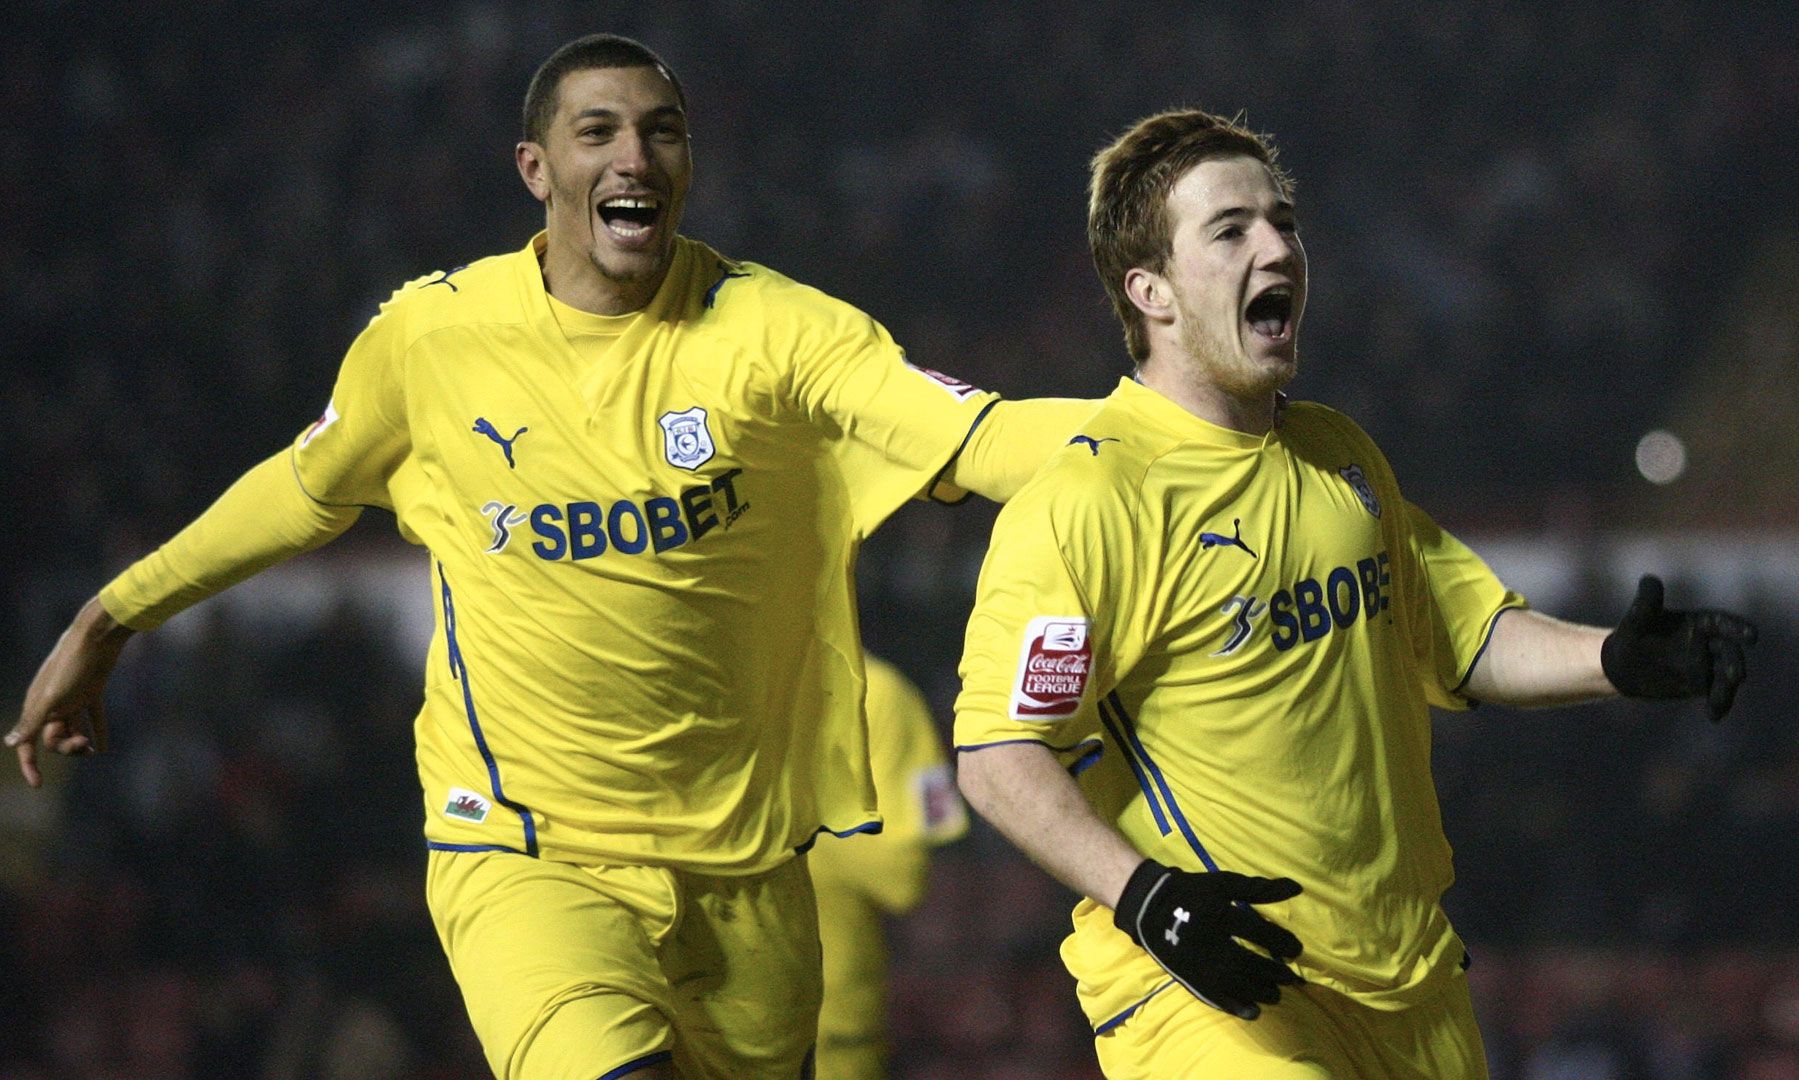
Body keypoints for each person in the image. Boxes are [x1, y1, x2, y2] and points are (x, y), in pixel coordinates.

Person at [11, 34, 1093, 1080]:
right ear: (536, 168)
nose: (635, 155)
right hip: (529, 854)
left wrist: (1177, 439)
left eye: (662, 132)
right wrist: (110, 617)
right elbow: (301, 494)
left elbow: (981, 433)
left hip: (750, 873)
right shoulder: (435, 341)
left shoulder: (776, 331)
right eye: (599, 130)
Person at [950, 110, 1757, 1080]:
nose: (1277, 244)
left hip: (1410, 991)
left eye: (1282, 220)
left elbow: (1459, 639)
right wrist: (1149, 900)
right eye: (1232, 229)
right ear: (1150, 292)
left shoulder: (1340, 455)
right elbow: (999, 754)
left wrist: (1615, 659)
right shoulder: (1090, 498)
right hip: (1215, 996)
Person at [809, 652, 968, 1080]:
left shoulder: (877, 693)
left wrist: (778, 821)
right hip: (688, 1016)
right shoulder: (699, 676)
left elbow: (903, 877)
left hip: (829, 1032)